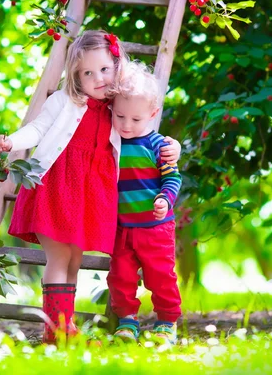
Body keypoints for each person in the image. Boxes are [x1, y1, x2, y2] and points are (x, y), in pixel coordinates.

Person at [0, 30, 181, 344]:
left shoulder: (116, 107)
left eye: (105, 69)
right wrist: (12, 142)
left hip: (87, 196)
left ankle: (65, 329)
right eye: (88, 73)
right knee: (59, 259)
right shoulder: (64, 101)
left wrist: (174, 147)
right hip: (56, 187)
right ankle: (56, 332)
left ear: (117, 66)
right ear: (76, 76)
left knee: (74, 261)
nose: (99, 78)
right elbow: (38, 129)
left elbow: (144, 130)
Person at [106, 61, 182, 345]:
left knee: (161, 276)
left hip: (155, 227)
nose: (126, 125)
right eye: (120, 116)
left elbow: (173, 179)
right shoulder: (110, 143)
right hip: (122, 229)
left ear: (152, 114)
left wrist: (164, 198)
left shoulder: (158, 146)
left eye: (136, 120)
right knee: (120, 278)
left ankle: (166, 322)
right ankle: (127, 323)